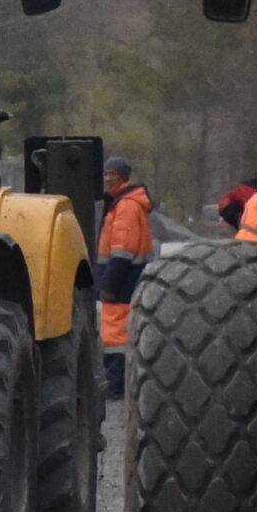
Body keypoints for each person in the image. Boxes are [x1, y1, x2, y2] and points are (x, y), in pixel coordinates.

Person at [97, 156, 154, 396]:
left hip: (122, 277)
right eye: (107, 173)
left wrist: (109, 282)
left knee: (116, 332)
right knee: (120, 329)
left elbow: (123, 249)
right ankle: (117, 379)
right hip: (127, 275)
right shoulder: (124, 202)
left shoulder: (126, 205)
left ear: (122, 178)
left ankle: (115, 381)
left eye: (113, 174)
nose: (108, 178)